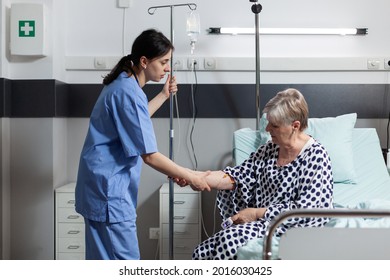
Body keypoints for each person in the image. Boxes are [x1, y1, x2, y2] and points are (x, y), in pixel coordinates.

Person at [75, 29, 210, 260]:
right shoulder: (128, 92)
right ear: (145, 61)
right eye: (164, 62)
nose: (167, 68)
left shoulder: (123, 84)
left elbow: (134, 122)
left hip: (99, 186)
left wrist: (164, 95)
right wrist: (191, 175)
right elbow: (149, 155)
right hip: (110, 193)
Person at [176, 88, 334, 260]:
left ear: (294, 126)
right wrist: (193, 175)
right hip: (261, 224)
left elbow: (308, 209)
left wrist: (256, 213)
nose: (267, 129)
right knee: (203, 251)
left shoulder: (316, 156)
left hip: (291, 228)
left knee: (229, 240)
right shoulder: (269, 149)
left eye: (274, 125)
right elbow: (237, 176)